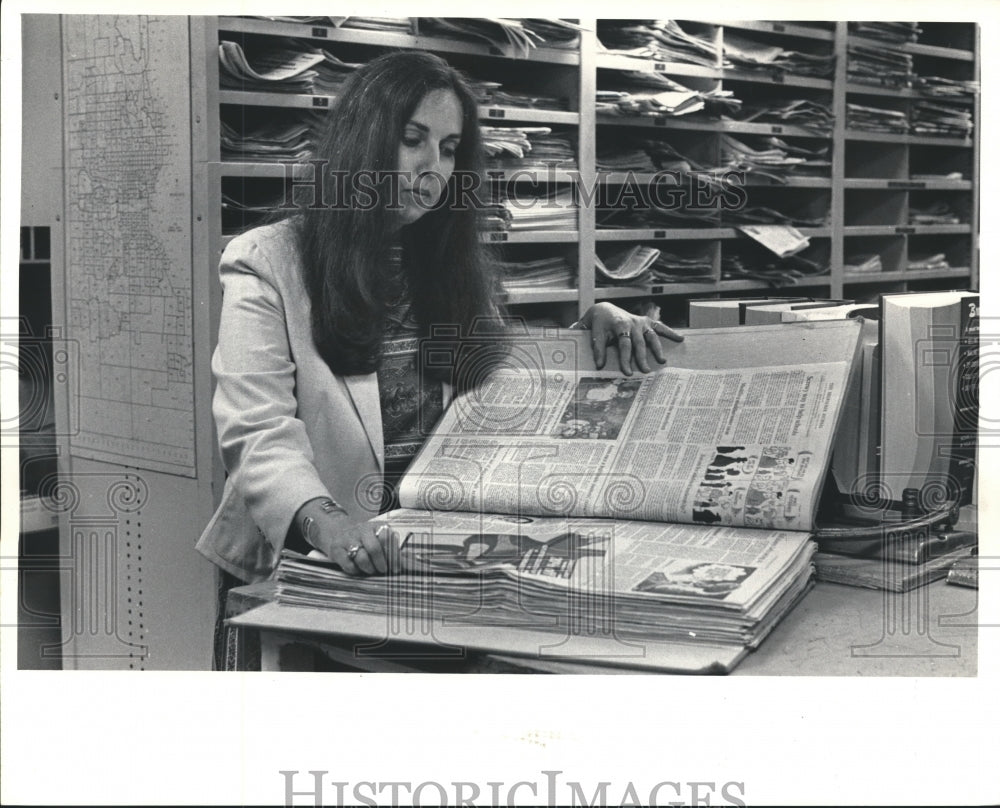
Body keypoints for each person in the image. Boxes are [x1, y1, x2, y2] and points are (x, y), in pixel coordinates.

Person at [196, 51, 682, 587]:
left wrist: (590, 329)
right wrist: (328, 523)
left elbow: (491, 386)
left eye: (448, 150)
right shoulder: (266, 260)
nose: (432, 166)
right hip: (305, 557)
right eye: (412, 139)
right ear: (364, 140)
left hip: (420, 550)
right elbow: (257, 430)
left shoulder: (446, 264)